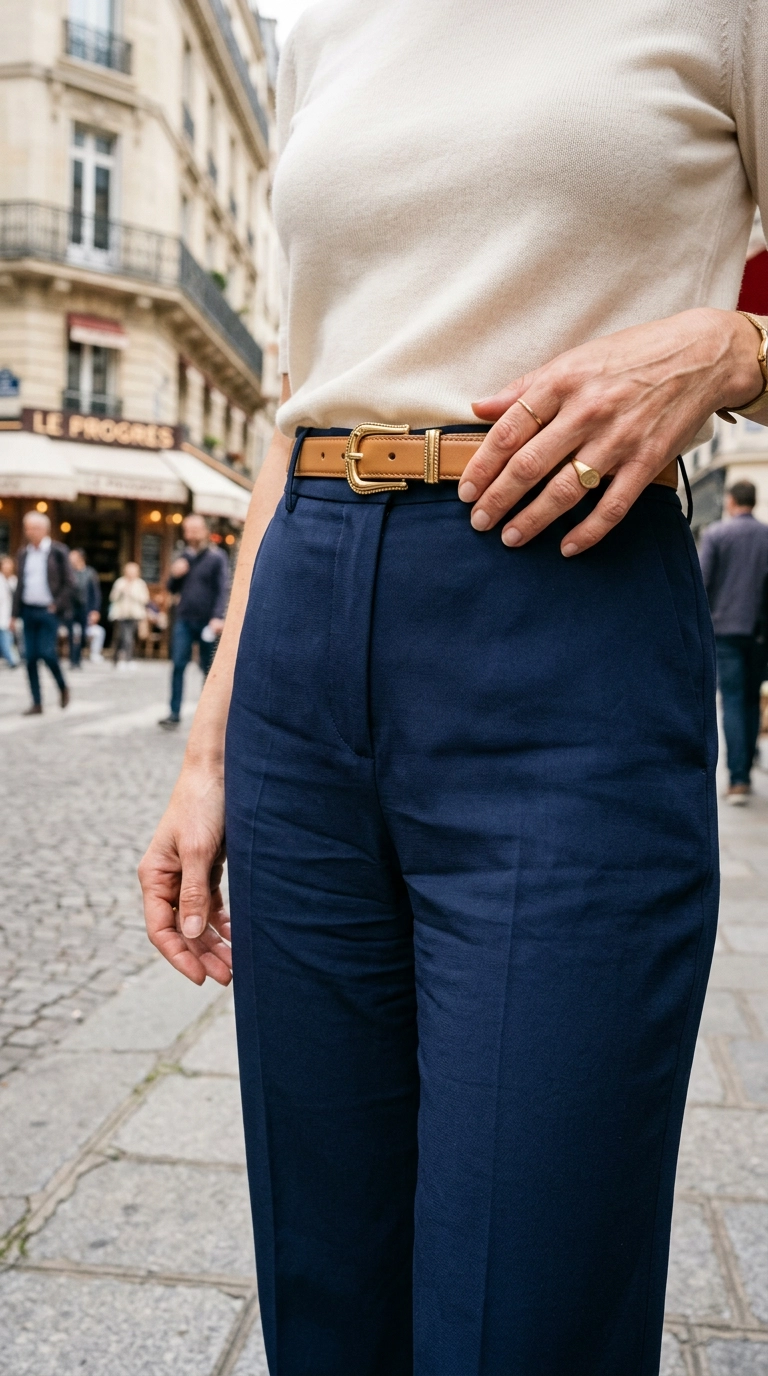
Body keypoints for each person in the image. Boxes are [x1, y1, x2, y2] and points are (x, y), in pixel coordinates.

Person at [139, 6, 768, 1373]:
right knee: (327, 1273)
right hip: (306, 621)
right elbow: (304, 398)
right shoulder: (318, 23)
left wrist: (734, 351)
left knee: (527, 1302)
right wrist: (210, 749)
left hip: (568, 607)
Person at [699, 480, 768, 805]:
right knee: (752, 700)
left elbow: (702, 583)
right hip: (760, 634)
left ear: (730, 501)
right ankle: (746, 766)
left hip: (725, 631)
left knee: (733, 701)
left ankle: (738, 779)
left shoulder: (716, 534)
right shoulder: (766, 535)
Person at [158, 513, 228, 728]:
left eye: (195, 529)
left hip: (208, 622)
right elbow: (171, 588)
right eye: (188, 530)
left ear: (205, 531)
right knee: (178, 665)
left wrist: (218, 616)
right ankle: (174, 713)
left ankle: (208, 718)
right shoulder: (183, 557)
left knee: (208, 669)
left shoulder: (217, 557)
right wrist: (174, 574)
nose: (191, 534)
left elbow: (223, 589)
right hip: (184, 619)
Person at [12, 511, 71, 715]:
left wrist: (57, 604)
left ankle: (62, 686)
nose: (30, 532)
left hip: (48, 611)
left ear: (45, 529)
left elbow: (69, 583)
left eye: (35, 528)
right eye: (28, 528)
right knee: (29, 657)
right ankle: (36, 702)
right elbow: (20, 585)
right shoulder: (24, 553)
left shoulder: (57, 552)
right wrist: (13, 614)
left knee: (47, 653)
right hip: (28, 610)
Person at [108, 561, 150, 669]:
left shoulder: (140, 583)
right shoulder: (120, 582)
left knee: (129, 637)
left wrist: (132, 593)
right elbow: (112, 598)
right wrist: (121, 591)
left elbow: (145, 599)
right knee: (120, 637)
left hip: (134, 614)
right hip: (120, 614)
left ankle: (127, 659)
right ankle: (118, 659)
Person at [66, 548, 102, 668]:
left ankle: (78, 657)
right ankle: (72, 659)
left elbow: (95, 593)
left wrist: (95, 610)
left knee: (83, 634)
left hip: (85, 608)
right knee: (71, 633)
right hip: (71, 608)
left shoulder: (90, 573)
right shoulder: (69, 572)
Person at [0, 555, 19, 668]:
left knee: (8, 638)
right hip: (2, 613)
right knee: (6, 638)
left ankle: (13, 660)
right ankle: (13, 660)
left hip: (10, 614)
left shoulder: (14, 581)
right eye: (5, 565)